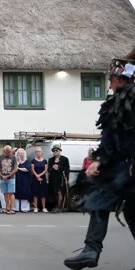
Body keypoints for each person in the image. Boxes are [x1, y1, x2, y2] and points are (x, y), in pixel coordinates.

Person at [64, 51, 135, 269]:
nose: (111, 84)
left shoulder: (125, 100)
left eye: (113, 79)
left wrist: (99, 160)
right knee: (132, 212)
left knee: (99, 201)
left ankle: (91, 250)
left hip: (127, 168)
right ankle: (90, 250)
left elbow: (116, 138)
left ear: (122, 79)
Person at [48, 144, 70, 213]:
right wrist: (52, 168)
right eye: (54, 151)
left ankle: (59, 206)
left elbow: (67, 169)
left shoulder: (64, 159)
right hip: (53, 178)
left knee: (59, 192)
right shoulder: (51, 160)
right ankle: (55, 206)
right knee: (54, 193)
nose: (55, 152)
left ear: (59, 151)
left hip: (61, 178)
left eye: (56, 150)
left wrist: (66, 178)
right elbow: (48, 169)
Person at [0, 145, 17, 214]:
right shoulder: (0, 157)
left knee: (11, 193)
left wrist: (8, 175)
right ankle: (7, 207)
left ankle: (12, 208)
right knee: (5, 193)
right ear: (4, 151)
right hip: (2, 178)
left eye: (9, 152)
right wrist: (2, 175)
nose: (8, 153)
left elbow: (15, 168)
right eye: (7, 152)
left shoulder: (13, 157)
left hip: (11, 178)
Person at [31, 147, 48, 213]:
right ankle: (36, 207)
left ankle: (44, 207)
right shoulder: (33, 161)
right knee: (35, 193)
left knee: (43, 193)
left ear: (42, 152)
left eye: (39, 151)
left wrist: (40, 175)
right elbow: (32, 169)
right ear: (35, 153)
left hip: (43, 178)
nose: (38, 153)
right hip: (35, 178)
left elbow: (46, 169)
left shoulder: (44, 161)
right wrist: (37, 176)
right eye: (37, 152)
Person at [14, 148, 31, 212]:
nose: (20, 154)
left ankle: (25, 208)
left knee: (25, 192)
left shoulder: (27, 161)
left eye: (21, 153)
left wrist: (18, 168)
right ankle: (17, 207)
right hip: (17, 179)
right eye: (19, 153)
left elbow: (27, 169)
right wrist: (18, 163)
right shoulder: (15, 161)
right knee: (17, 192)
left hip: (25, 179)